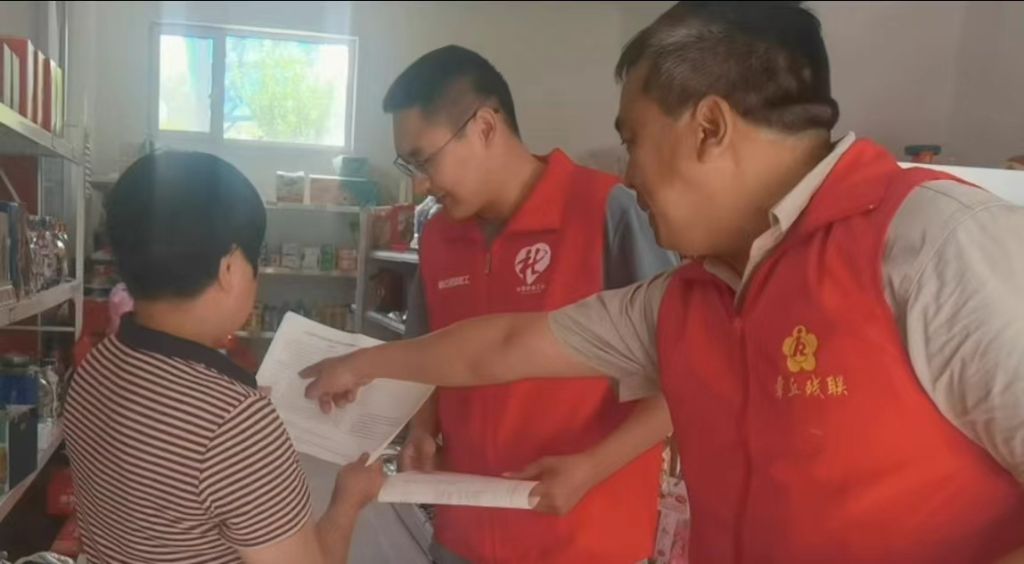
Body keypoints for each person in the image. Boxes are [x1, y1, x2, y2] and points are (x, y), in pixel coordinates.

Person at [303, 3, 1024, 563]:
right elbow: (504, 345)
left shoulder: (932, 243)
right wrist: (366, 364)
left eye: (633, 140)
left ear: (709, 127)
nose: (628, 173)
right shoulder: (693, 298)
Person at [381, 45, 678, 564]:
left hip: (583, 538)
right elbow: (423, 356)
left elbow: (685, 377)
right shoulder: (439, 236)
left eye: (425, 160)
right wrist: (423, 429)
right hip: (464, 536)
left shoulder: (606, 213)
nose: (420, 184)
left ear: (485, 127)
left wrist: (592, 467)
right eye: (409, 164)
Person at [64, 151, 384, 564]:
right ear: (229, 267)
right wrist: (348, 502)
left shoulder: (96, 366)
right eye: (256, 261)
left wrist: (238, 411)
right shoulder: (236, 423)